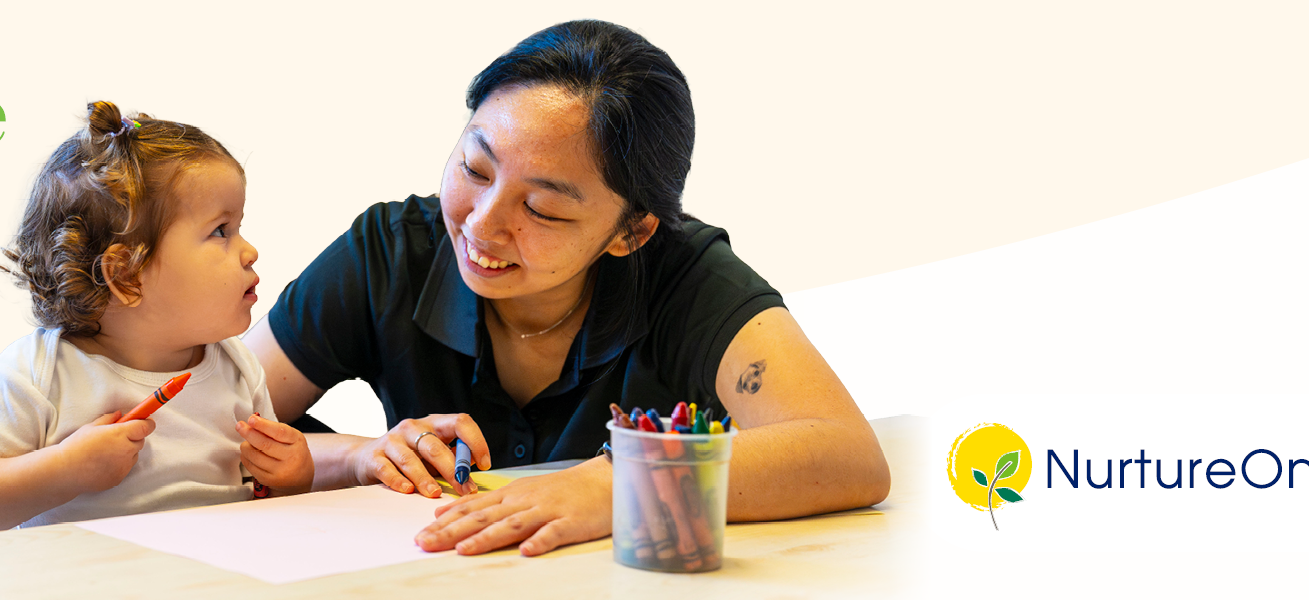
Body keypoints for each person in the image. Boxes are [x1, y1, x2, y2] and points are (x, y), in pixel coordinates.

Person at [246, 20, 891, 556]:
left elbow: (846, 455)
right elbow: (213, 428)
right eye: (475, 167)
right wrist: (360, 456)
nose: (482, 222)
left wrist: (620, 488)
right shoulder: (388, 253)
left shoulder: (685, 279)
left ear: (631, 232)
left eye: (544, 211)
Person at [0, 101, 313, 535]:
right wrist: (64, 469)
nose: (249, 250)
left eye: (239, 227)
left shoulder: (238, 367)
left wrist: (290, 479)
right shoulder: (41, 374)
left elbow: (263, 504)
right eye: (221, 231)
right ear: (126, 276)